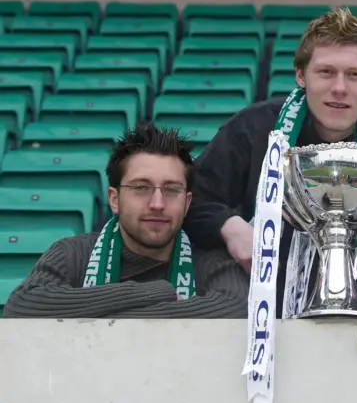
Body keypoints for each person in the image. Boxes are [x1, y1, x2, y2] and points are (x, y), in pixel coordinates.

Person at [182, 7, 357, 317]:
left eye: (354, 75)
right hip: (267, 303)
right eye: (326, 72)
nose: (340, 88)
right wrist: (229, 227)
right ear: (301, 75)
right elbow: (192, 196)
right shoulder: (253, 130)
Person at [2, 124, 249, 318]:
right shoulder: (73, 254)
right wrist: (158, 292)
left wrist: (93, 311)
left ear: (187, 203)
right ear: (114, 199)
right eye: (141, 187)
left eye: (171, 190)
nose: (157, 203)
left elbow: (236, 311)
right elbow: (24, 306)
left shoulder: (212, 261)